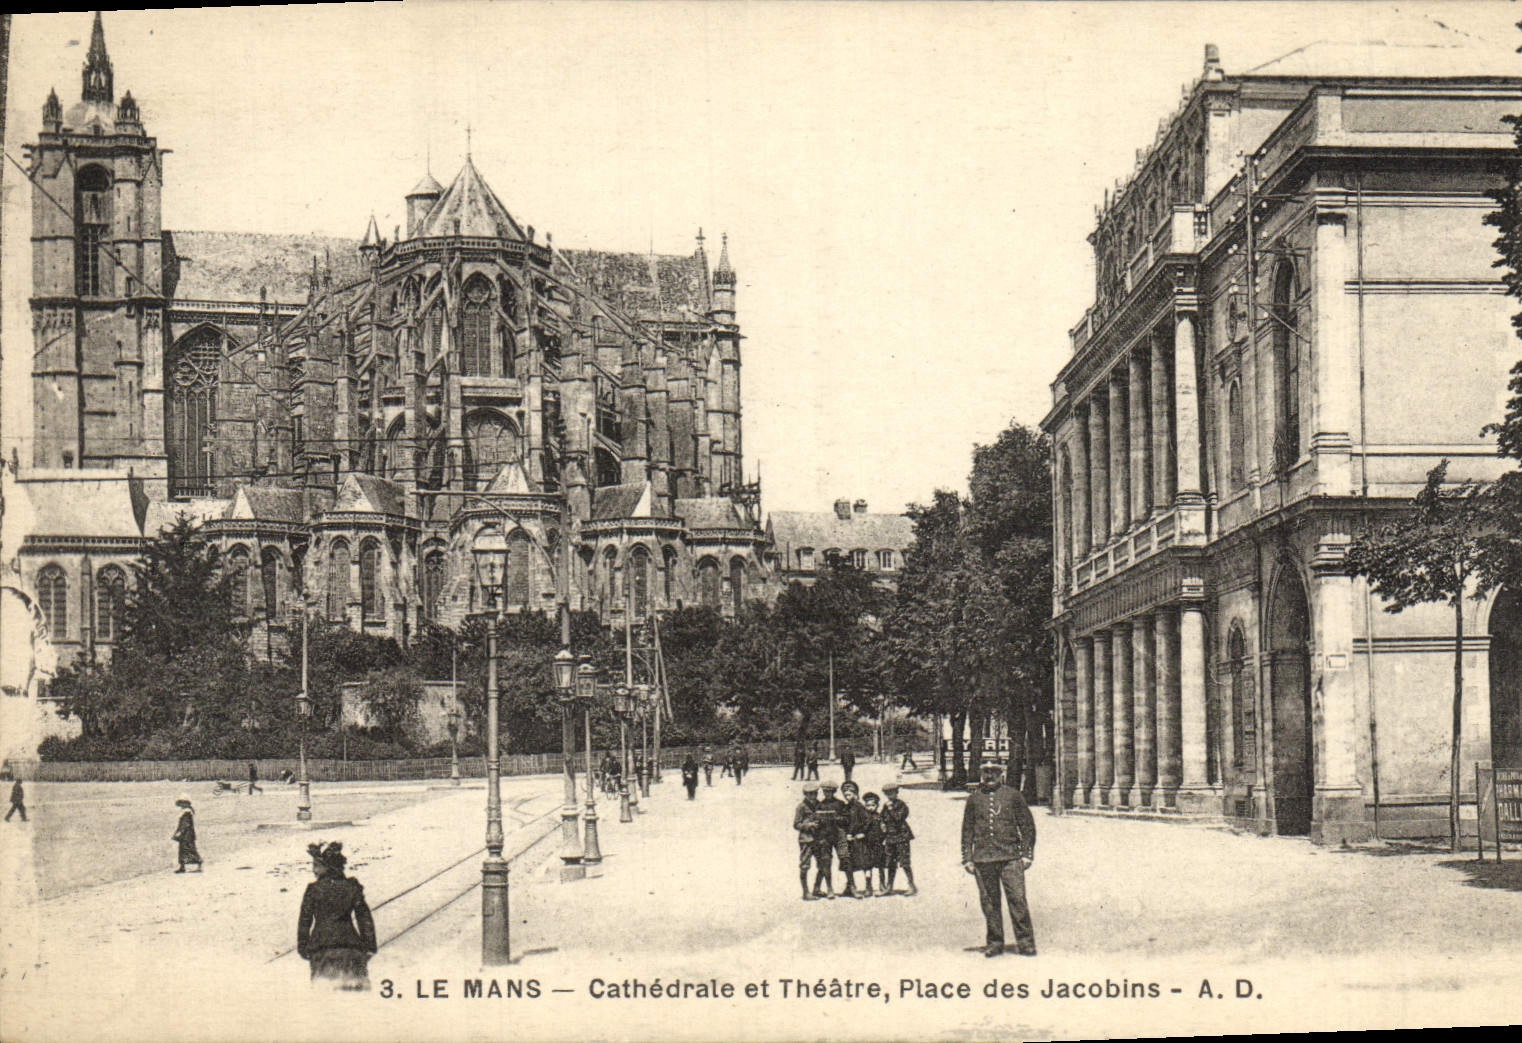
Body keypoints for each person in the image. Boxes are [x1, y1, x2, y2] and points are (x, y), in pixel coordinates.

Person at [961, 762, 1037, 958]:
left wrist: (1027, 854)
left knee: (1018, 900)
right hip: (983, 859)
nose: (989, 776)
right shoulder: (974, 799)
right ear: (981, 774)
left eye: (994, 772)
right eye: (986, 772)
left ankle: (1026, 942)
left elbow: (1027, 826)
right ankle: (995, 942)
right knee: (989, 903)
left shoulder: (1013, 795)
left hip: (1011, 857)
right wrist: (967, 858)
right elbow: (967, 830)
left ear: (1001, 773)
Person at [298, 841, 377, 990]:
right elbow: (364, 918)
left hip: (321, 948)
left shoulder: (314, 889)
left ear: (327, 868)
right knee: (355, 992)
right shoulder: (351, 887)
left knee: (323, 993)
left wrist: (303, 947)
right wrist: (370, 946)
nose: (313, 870)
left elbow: (305, 921)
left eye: (316, 866)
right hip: (350, 947)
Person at [881, 780, 917, 896]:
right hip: (890, 837)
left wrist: (891, 809)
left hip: (902, 836)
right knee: (890, 862)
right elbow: (882, 817)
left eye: (892, 793)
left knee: (904, 862)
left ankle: (911, 885)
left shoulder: (901, 805)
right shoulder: (885, 806)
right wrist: (882, 824)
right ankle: (889, 886)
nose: (890, 796)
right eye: (887, 794)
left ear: (896, 793)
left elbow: (899, 818)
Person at [811, 781, 845, 898]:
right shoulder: (820, 805)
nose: (827, 794)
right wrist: (817, 822)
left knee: (845, 859)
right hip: (825, 837)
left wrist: (838, 818)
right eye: (825, 792)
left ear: (834, 792)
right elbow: (815, 820)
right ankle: (829, 888)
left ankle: (851, 886)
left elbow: (846, 819)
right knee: (825, 862)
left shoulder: (840, 804)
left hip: (838, 835)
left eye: (830, 792)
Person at [793, 782, 825, 900]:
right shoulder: (801, 806)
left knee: (822, 864)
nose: (813, 796)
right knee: (805, 866)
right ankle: (806, 892)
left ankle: (816, 888)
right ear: (805, 794)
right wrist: (808, 825)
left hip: (818, 838)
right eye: (810, 794)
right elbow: (796, 824)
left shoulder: (819, 805)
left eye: (815, 793)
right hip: (806, 839)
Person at [838, 780, 867, 898]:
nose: (847, 795)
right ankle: (850, 886)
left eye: (849, 793)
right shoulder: (845, 807)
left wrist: (860, 832)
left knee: (860, 862)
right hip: (847, 838)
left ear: (855, 793)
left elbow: (866, 821)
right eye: (845, 793)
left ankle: (864, 887)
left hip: (856, 838)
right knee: (847, 861)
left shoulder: (859, 806)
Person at [860, 792, 888, 897]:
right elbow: (861, 828)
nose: (870, 808)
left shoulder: (879, 817)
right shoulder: (864, 818)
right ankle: (868, 886)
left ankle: (882, 884)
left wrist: (884, 833)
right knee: (868, 866)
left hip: (878, 844)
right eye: (868, 805)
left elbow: (884, 829)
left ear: (877, 805)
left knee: (881, 864)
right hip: (867, 844)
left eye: (873, 805)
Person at [172, 796, 202, 872]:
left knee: (186, 850)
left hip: (186, 835)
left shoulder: (186, 812)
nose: (181, 804)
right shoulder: (187, 811)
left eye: (182, 803)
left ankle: (184, 866)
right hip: (188, 834)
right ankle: (185, 866)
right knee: (188, 850)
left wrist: (179, 832)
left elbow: (185, 824)